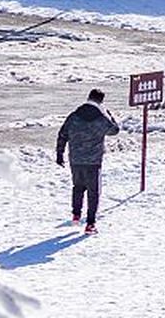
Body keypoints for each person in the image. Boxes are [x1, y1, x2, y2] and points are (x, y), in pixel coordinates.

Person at [54, 88, 121, 234]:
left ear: (88, 97)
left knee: (78, 187)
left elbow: (62, 134)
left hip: (76, 159)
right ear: (101, 101)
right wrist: (110, 115)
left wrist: (60, 153)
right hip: (93, 161)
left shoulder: (74, 116)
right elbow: (115, 130)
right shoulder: (101, 118)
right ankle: (90, 224)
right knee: (93, 192)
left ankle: (76, 215)